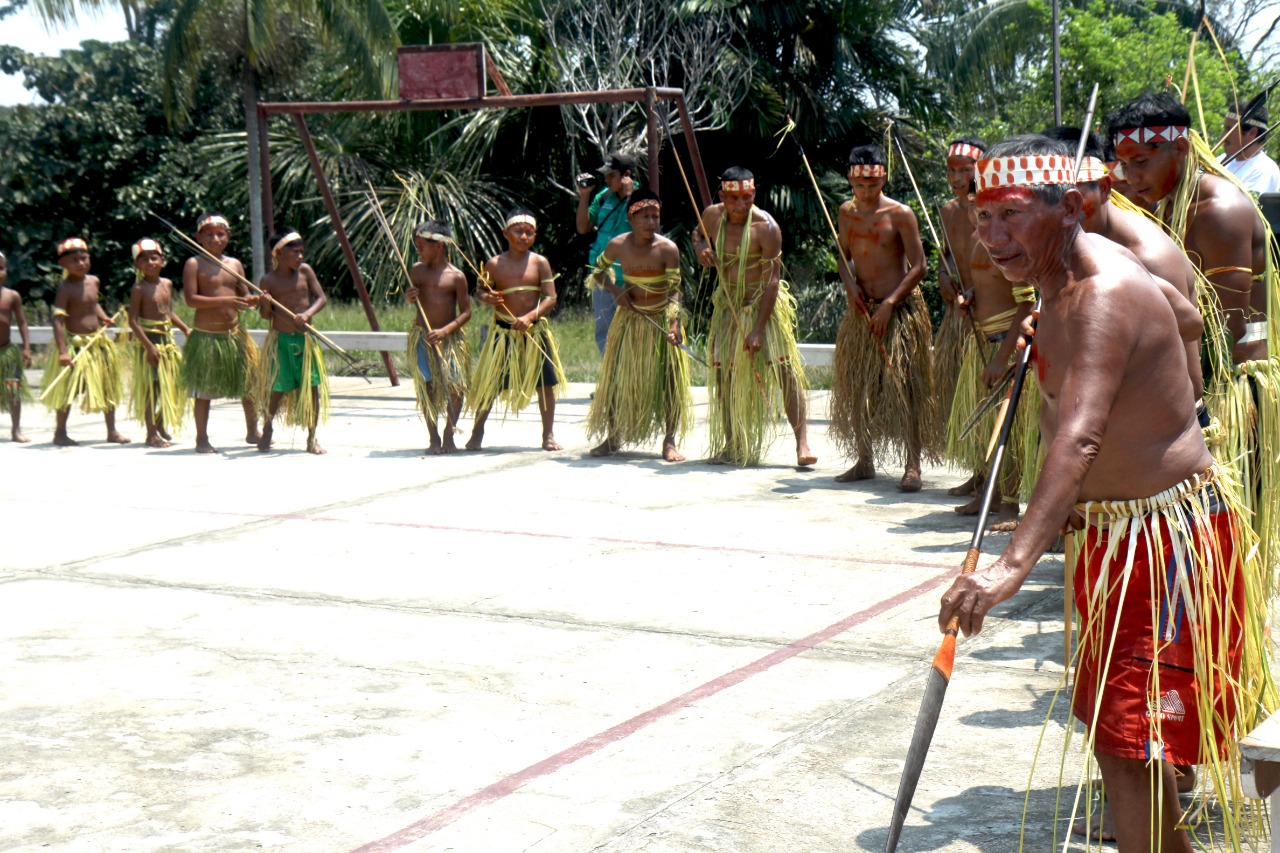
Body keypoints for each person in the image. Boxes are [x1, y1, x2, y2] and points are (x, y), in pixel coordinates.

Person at [939, 135, 1266, 853]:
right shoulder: (1074, 284)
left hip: (1164, 544)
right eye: (982, 217)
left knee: (1132, 743)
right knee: (1120, 743)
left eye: (1012, 215)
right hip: (1113, 538)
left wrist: (1009, 565)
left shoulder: (1102, 292)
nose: (993, 238)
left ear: (1069, 209)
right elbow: (1182, 314)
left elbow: (1078, 439)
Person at [1108, 92, 1280, 585]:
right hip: (1196, 379)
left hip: (1233, 386)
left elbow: (1227, 326)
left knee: (1229, 531)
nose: (1131, 177)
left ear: (1180, 150)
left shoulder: (1215, 208)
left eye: (1142, 162)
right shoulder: (1166, 207)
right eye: (1123, 166)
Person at [692, 167, 813, 467]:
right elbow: (697, 235)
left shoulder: (766, 227)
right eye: (733, 198)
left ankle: (803, 444)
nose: (740, 205)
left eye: (746, 197)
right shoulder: (712, 216)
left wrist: (758, 329)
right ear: (722, 195)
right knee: (725, 375)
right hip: (729, 305)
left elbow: (772, 280)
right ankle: (733, 444)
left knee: (784, 371)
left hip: (764, 307)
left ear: (753, 194)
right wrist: (701, 249)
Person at [830, 145, 934, 490]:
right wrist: (850, 287)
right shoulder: (846, 212)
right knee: (858, 386)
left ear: (884, 178)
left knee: (906, 386)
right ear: (850, 181)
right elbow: (843, 260)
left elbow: (920, 266)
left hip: (900, 309)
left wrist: (890, 303)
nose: (867, 192)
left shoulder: (901, 213)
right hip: (863, 310)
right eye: (860, 186)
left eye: (873, 185)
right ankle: (864, 459)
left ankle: (913, 465)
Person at [941, 216, 1036, 530]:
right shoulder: (974, 237)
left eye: (983, 207)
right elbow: (987, 283)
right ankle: (991, 494)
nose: (976, 211)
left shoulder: (1010, 240)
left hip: (1007, 345)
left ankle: (1009, 503)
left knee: (1010, 427)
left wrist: (1002, 357)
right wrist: (967, 296)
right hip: (982, 340)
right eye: (973, 206)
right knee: (987, 428)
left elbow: (1026, 304)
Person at [585, 188, 691, 462]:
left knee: (670, 382)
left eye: (655, 216)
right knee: (615, 380)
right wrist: (614, 289)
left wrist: (674, 323)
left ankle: (669, 441)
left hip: (660, 320)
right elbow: (597, 272)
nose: (651, 222)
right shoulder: (618, 244)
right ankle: (614, 436)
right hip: (630, 322)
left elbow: (674, 290)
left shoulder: (667, 248)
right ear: (630, 218)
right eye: (644, 216)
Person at [467, 208, 566, 452]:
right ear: (506, 233)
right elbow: (480, 290)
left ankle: (548, 434)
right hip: (503, 334)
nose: (523, 237)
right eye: (518, 231)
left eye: (529, 233)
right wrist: (487, 297)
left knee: (545, 384)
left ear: (534, 236)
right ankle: (477, 431)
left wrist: (530, 316)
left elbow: (550, 298)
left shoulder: (540, 263)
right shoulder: (494, 263)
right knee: (489, 384)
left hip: (533, 332)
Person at [180, 213, 261, 453]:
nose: (215, 239)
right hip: (206, 337)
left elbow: (244, 295)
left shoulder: (235, 264)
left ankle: (252, 431)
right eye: (209, 235)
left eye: (220, 234)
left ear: (228, 236)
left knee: (249, 385)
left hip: (234, 335)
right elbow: (191, 300)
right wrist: (227, 299)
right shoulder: (194, 264)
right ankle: (201, 438)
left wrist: (254, 300)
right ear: (199, 237)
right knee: (203, 391)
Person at [936, 138, 988, 499]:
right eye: (952, 170)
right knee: (966, 395)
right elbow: (945, 261)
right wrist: (947, 286)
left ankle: (997, 483)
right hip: (961, 315)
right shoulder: (947, 211)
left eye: (964, 170)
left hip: (992, 316)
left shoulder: (992, 207)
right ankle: (978, 473)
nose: (957, 177)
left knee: (988, 397)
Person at [42, 237, 130, 446]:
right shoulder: (65, 288)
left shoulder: (93, 281)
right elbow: (58, 320)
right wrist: (63, 351)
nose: (81, 263)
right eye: (74, 260)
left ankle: (112, 431)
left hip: (97, 342)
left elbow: (93, 303)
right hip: (76, 345)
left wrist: (103, 317)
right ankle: (60, 432)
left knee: (108, 386)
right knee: (67, 389)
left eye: (84, 258)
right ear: (63, 264)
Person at [255, 229, 329, 455]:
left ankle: (312, 437)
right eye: (294, 252)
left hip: (304, 341)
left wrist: (307, 314)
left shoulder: (305, 272)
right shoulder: (268, 280)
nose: (299, 257)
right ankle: (267, 428)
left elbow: (322, 298)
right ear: (278, 254)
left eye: (301, 252)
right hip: (281, 343)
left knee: (311, 389)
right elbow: (265, 316)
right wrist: (265, 302)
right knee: (277, 389)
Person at [406, 220, 471, 454]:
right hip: (423, 337)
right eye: (417, 246)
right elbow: (411, 297)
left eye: (422, 245)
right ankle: (433, 437)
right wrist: (410, 296)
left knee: (456, 388)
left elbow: (466, 312)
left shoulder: (456, 276)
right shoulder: (416, 270)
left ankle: (449, 433)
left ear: (439, 246)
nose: (419, 250)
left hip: (449, 339)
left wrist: (446, 331)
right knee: (429, 387)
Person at [127, 238, 191, 448]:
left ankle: (160, 423)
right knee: (151, 388)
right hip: (150, 341)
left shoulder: (167, 284)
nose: (150, 263)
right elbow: (133, 321)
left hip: (166, 340)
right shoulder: (139, 288)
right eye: (144, 260)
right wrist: (149, 347)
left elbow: (168, 312)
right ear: (137, 265)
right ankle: (151, 433)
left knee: (172, 384)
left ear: (162, 260)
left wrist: (185, 328)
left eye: (154, 258)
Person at [577, 153, 635, 354]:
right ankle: (610, 375)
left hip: (629, 276)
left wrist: (629, 197)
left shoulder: (641, 199)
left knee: (631, 331)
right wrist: (585, 195)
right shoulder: (603, 197)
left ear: (626, 175)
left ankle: (630, 378)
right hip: (602, 273)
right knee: (604, 330)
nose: (607, 179)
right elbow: (583, 227)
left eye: (612, 175)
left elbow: (641, 227)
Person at [0, 251, 32, 442]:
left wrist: (27, 348)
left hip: (7, 351)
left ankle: (16, 430)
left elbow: (22, 323)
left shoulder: (12, 296)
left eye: (1, 268)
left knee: (14, 390)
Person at [1220, 98, 1280, 195]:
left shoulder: (1264, 170)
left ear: (1252, 133)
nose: (1223, 136)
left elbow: (1242, 208)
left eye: (1229, 130)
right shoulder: (1220, 160)